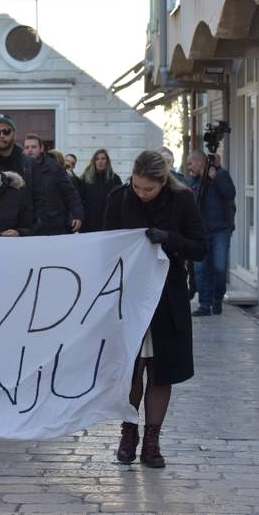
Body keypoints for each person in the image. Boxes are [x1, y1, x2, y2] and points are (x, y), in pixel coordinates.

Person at [103, 150, 206, 468]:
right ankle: (128, 433)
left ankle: (152, 440)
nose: (142, 193)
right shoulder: (119, 198)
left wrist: (169, 239)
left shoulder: (183, 200)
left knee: (162, 371)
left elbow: (199, 247)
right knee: (131, 369)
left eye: (148, 189)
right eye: (137, 186)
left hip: (167, 298)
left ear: (163, 182)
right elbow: (105, 245)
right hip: (129, 296)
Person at [186, 150, 236, 316]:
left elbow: (230, 194)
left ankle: (217, 298)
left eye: (190, 163)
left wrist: (215, 179)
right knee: (200, 270)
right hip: (199, 233)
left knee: (219, 268)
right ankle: (204, 305)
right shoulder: (192, 182)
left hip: (220, 230)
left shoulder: (221, 175)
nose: (188, 167)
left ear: (200, 162)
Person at [23, 134, 83, 235]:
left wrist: (78, 215)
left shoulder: (54, 167)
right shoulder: (21, 168)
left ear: (41, 148)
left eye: (33, 147)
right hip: (30, 226)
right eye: (27, 147)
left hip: (53, 225)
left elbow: (70, 193)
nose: (30, 150)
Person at [0, 114, 38, 226]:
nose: (1, 135)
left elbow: (39, 196)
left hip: (25, 226)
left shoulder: (29, 162)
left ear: (14, 134)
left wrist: (36, 223)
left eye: (6, 131)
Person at [79, 149, 122, 233]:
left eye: (103, 158)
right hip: (88, 224)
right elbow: (79, 200)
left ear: (107, 161)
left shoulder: (115, 179)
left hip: (109, 224)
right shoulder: (85, 178)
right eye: (97, 159)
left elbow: (120, 201)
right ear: (94, 161)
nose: (100, 161)